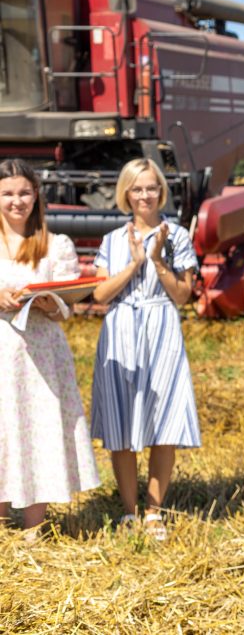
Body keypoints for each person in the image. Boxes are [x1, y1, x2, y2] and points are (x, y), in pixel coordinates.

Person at [90, 158, 199, 541]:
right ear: (126, 193)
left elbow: (183, 296)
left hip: (162, 326)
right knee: (121, 422)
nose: (145, 195)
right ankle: (129, 510)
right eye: (137, 188)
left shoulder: (177, 236)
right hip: (120, 327)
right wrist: (135, 264)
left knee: (163, 420)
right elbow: (100, 294)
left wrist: (156, 259)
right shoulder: (112, 240)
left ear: (161, 191)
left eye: (151, 187)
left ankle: (154, 511)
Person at [0, 159, 100, 540]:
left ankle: (33, 523)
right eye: (8, 193)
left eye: (24, 192)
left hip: (40, 352)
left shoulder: (55, 245)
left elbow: (67, 306)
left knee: (35, 426)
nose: (17, 201)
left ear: (36, 195)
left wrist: (48, 302)